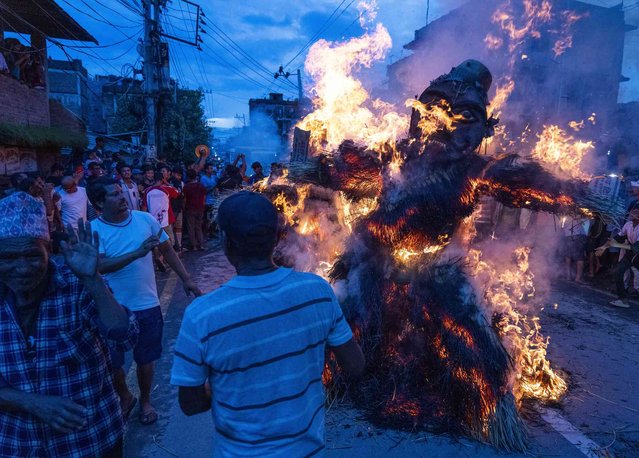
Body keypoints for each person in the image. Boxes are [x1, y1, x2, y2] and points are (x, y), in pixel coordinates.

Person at [171, 191, 364, 456]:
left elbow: (190, 404)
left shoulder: (202, 314)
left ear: (226, 242)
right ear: (276, 238)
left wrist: (233, 382)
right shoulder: (318, 292)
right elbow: (355, 365)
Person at [0, 192, 138, 457]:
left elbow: (124, 335)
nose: (21, 268)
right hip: (17, 445)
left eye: (31, 255)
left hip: (90, 441)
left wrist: (93, 279)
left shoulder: (75, 285)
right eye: (7, 258)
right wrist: (30, 402)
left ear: (48, 251)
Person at [88, 177, 202, 427]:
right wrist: (138, 253)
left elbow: (167, 250)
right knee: (114, 362)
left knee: (146, 359)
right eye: (113, 195)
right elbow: (99, 265)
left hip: (147, 304)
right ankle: (125, 396)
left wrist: (186, 278)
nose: (121, 198)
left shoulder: (145, 220)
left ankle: (146, 400)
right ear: (98, 202)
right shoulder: (94, 229)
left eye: (120, 193)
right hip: (111, 308)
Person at [610, 208, 639, 308]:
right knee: (618, 272)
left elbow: (635, 248)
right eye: (633, 212)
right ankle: (623, 299)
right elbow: (618, 237)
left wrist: (616, 245)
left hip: (637, 254)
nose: (632, 213)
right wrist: (605, 245)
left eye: (636, 213)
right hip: (630, 255)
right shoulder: (628, 224)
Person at [183, 169, 207, 250]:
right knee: (199, 227)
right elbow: (204, 198)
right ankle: (201, 244)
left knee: (191, 228)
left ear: (188, 177)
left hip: (190, 208)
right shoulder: (201, 186)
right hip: (200, 208)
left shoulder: (186, 187)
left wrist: (183, 208)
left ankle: (194, 246)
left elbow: (185, 199)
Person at [170, 166, 185, 252]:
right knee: (171, 228)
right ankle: (173, 246)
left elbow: (182, 195)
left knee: (178, 227)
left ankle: (178, 245)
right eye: (177, 175)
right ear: (172, 174)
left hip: (178, 208)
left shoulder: (181, 183)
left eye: (180, 175)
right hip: (171, 209)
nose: (178, 177)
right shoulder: (169, 183)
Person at [200, 164, 218, 238]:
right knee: (206, 219)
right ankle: (205, 233)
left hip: (214, 201)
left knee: (213, 218)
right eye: (210, 168)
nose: (212, 170)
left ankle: (212, 232)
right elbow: (204, 191)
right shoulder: (203, 179)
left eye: (212, 168)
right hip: (207, 201)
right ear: (206, 170)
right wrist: (213, 187)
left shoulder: (214, 177)